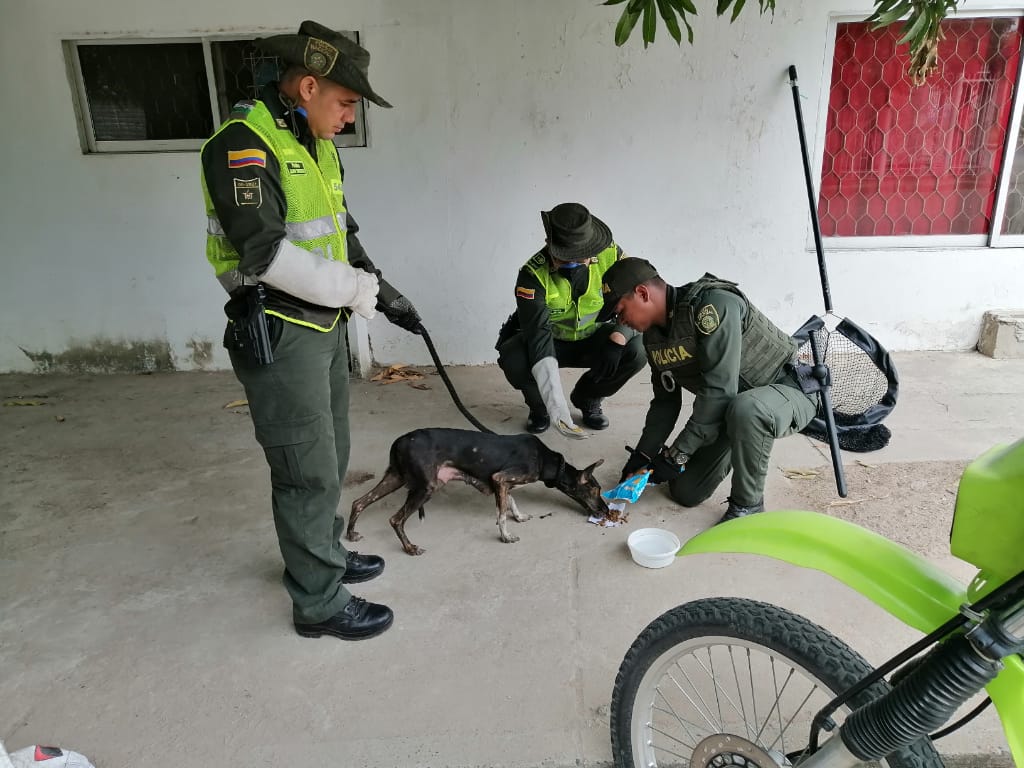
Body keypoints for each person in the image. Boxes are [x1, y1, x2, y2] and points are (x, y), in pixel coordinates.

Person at [200, 21, 423, 641]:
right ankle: (318, 603)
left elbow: (339, 230)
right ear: (307, 87)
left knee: (331, 454)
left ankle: (322, 554)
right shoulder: (243, 144)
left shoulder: (313, 142)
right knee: (305, 468)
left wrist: (379, 286)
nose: (349, 118)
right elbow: (264, 254)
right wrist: (352, 289)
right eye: (346, 102)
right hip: (279, 329)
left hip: (322, 327)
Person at [598, 258, 818, 525]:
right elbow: (665, 404)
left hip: (788, 389)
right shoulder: (653, 339)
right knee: (686, 492)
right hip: (732, 408)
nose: (621, 321)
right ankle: (740, 439)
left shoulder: (714, 305)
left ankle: (748, 507)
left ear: (642, 293)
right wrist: (643, 456)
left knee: (748, 409)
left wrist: (677, 453)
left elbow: (719, 392)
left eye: (620, 311)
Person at [495, 203, 646, 438]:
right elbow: (538, 336)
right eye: (564, 258)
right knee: (513, 357)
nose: (572, 264)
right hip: (551, 342)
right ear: (549, 244)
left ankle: (588, 398)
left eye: (579, 257)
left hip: (593, 337)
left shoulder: (612, 255)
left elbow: (635, 301)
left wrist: (619, 337)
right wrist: (557, 408)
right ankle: (540, 407)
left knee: (637, 351)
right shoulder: (532, 275)